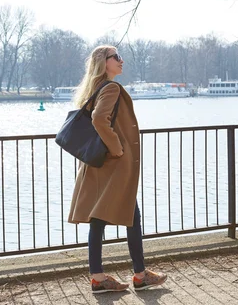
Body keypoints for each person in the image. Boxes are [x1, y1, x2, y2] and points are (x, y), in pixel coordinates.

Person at [68, 45, 167, 294]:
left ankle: (122, 276)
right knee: (124, 217)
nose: (122, 61)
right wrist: (118, 149)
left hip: (99, 165)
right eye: (117, 57)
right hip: (113, 166)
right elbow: (99, 120)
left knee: (114, 218)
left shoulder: (95, 88)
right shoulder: (110, 88)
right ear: (105, 62)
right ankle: (129, 276)